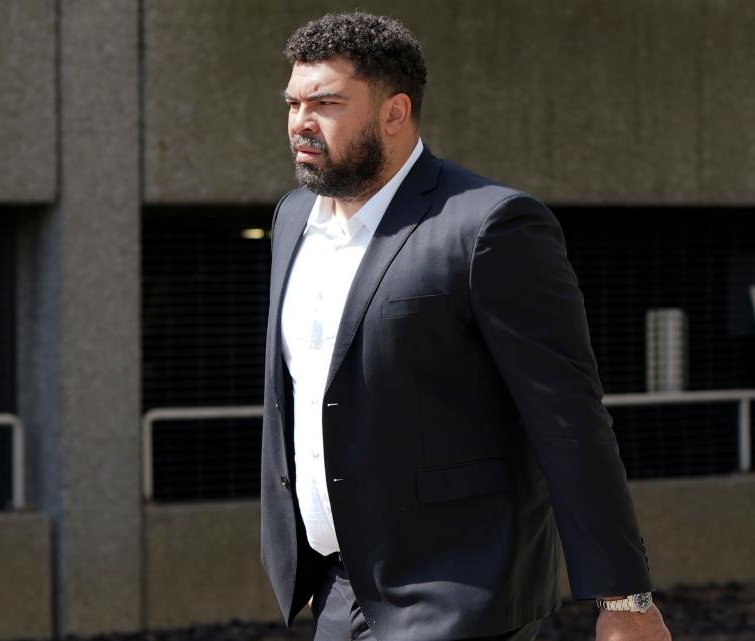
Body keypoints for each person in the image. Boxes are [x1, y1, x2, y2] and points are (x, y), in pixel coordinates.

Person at [259, 11, 672, 641]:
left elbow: (567, 418)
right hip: (339, 591)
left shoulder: (490, 226)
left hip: (461, 592)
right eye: (293, 103)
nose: (300, 123)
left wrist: (623, 597)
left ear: (395, 113)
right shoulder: (293, 221)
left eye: (327, 102)